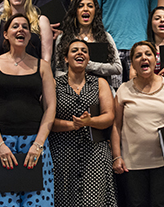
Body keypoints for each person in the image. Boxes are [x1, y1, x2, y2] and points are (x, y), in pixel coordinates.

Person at [0, 13, 56, 206]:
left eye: (25, 27)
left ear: (30, 35)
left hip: (34, 144)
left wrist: (38, 144)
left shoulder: (42, 66)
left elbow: (50, 107)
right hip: (1, 144)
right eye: (15, 26)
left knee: (39, 202)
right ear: (5, 34)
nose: (21, 29)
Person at [111, 41, 164, 206]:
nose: (143, 58)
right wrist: (116, 156)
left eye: (148, 54)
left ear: (155, 59)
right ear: (133, 63)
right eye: (138, 55)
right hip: (132, 165)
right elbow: (116, 126)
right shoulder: (123, 90)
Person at [49, 39, 117, 206]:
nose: (80, 53)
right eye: (74, 50)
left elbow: (109, 116)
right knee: (65, 201)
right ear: (65, 58)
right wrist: (72, 125)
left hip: (95, 154)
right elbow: (47, 120)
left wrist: (89, 122)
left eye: (84, 51)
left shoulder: (100, 83)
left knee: (93, 202)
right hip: (63, 153)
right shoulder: (54, 84)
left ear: (88, 59)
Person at [55, 0, 122, 91]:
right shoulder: (63, 38)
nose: (85, 9)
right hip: (71, 90)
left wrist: (89, 65)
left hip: (100, 89)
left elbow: (117, 68)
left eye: (90, 6)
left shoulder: (105, 37)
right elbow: (58, 70)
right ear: (75, 11)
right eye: (80, 6)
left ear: (95, 11)